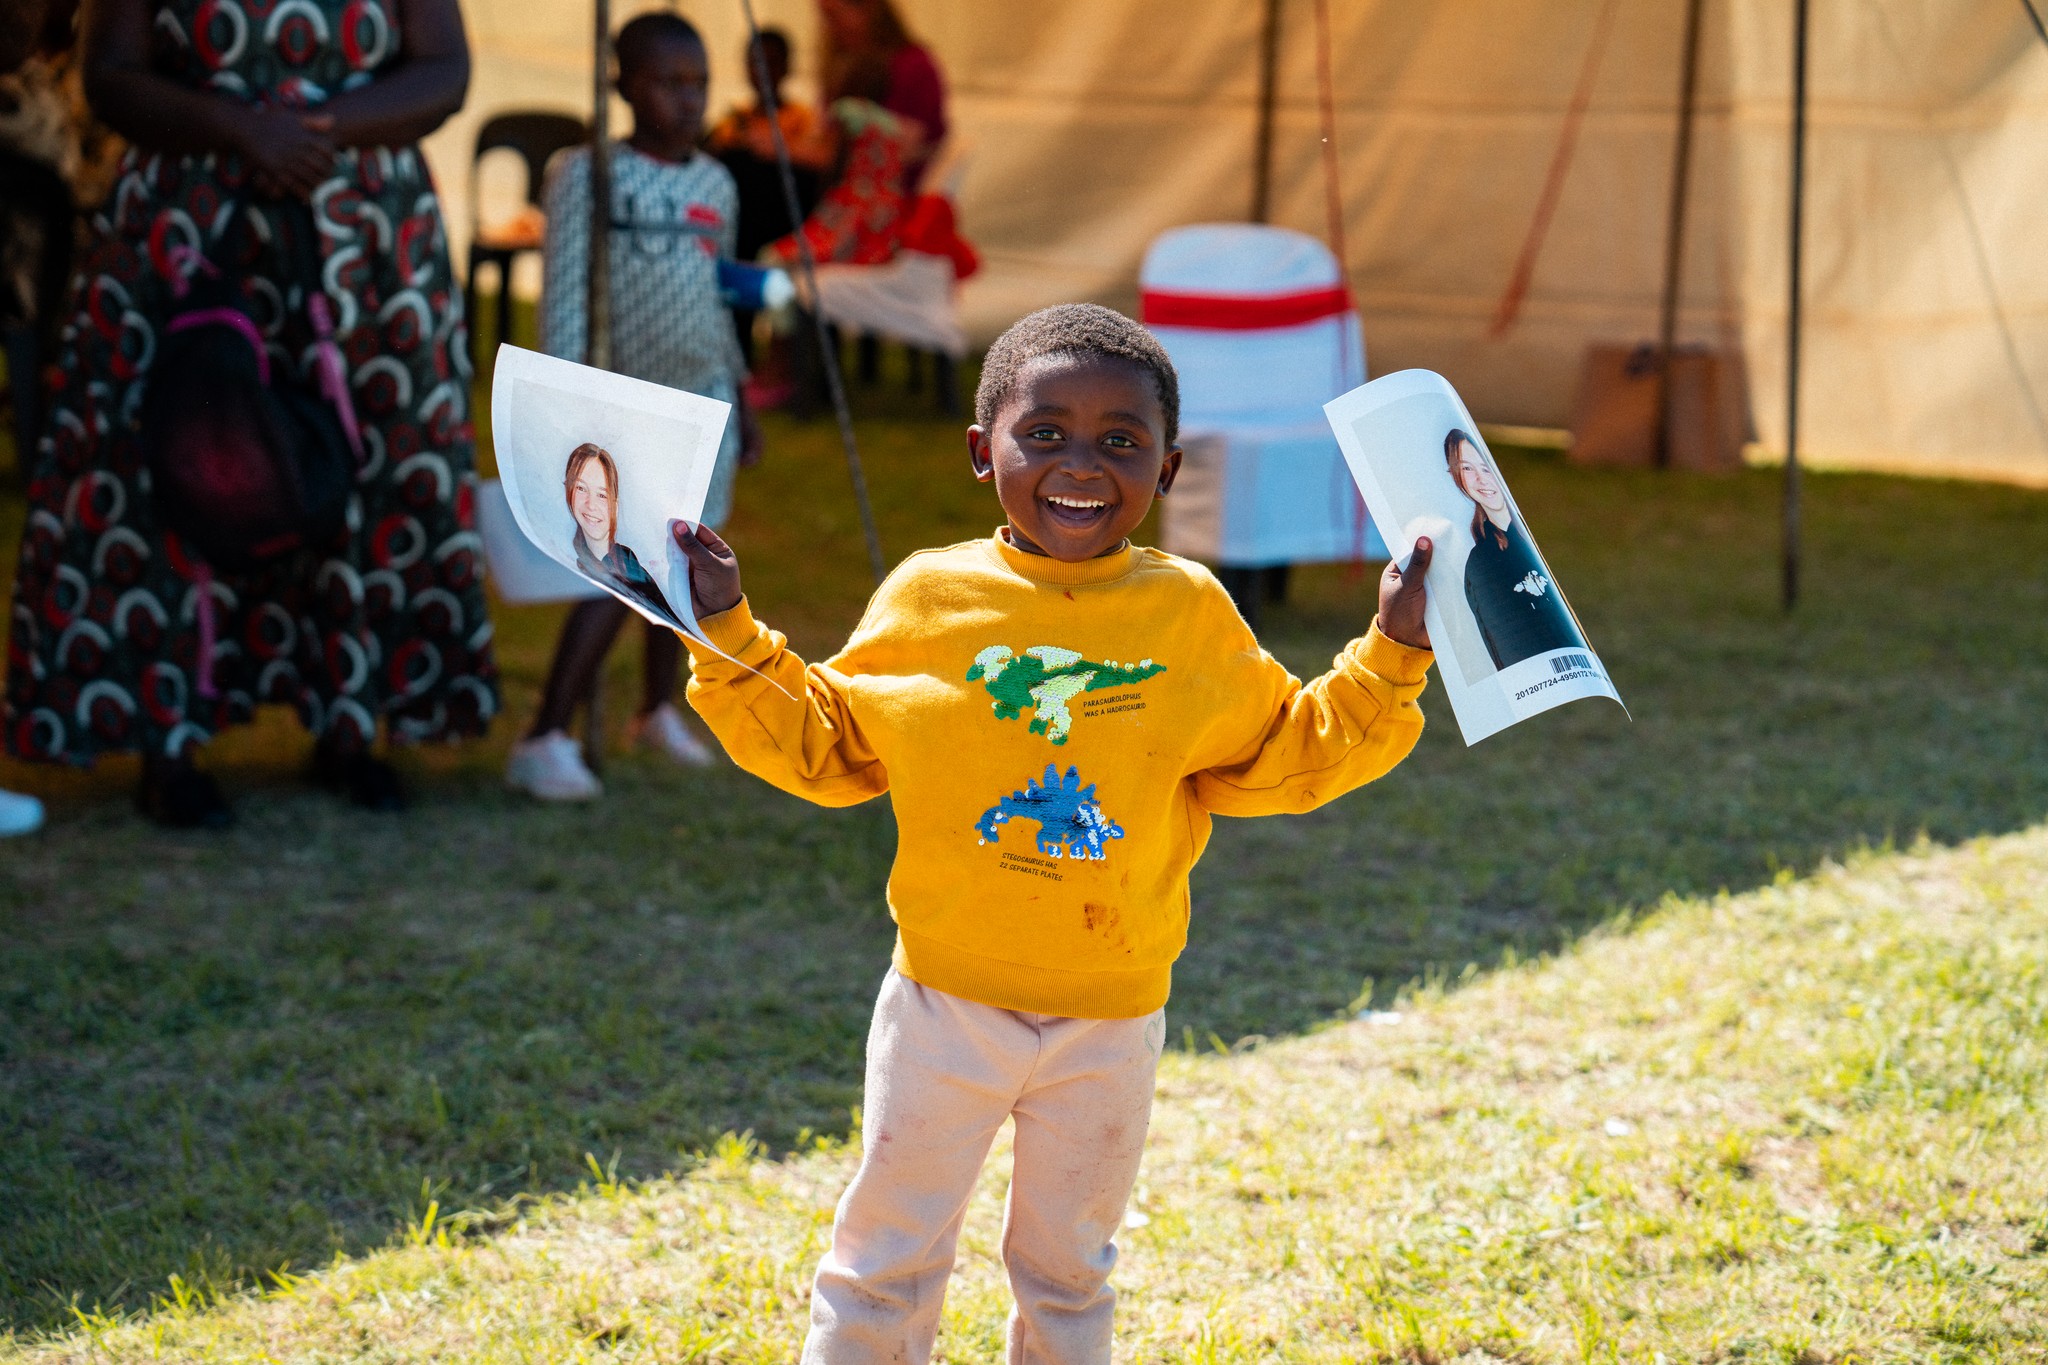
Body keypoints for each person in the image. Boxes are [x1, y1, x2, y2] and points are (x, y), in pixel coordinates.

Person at [673, 304, 1436, 1362]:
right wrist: (725, 630)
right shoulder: (927, 598)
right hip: (941, 1007)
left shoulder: (1189, 617)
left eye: (1120, 441)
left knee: (1068, 1272)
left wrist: (1392, 651)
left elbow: (1288, 751)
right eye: (1045, 434)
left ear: (1166, 470)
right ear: (984, 452)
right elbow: (825, 746)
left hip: (1109, 1022)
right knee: (883, 1259)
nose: (1081, 463)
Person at [3, 0, 497, 827]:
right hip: (184, 222)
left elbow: (445, 72)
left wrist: (308, 131)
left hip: (361, 234)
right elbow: (110, 78)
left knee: (364, 460)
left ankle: (351, 723)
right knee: (171, 461)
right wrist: (240, 131)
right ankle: (169, 740)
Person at [504, 12, 759, 802]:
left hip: (703, 396)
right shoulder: (589, 176)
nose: (687, 100)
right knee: (622, 567)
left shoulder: (716, 184)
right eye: (666, 83)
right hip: (622, 404)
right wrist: (570, 401)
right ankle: (543, 733)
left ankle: (655, 709)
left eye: (699, 84)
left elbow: (721, 301)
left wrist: (742, 395)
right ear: (622, 84)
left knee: (683, 557)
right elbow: (566, 298)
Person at [1445, 428, 1586, 671]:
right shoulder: (1482, 560)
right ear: (1458, 478)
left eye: (1485, 466)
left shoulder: (1526, 541)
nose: (1481, 478)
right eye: (1467, 468)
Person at [817, 0, 945, 192]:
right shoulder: (846, 62)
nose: (829, 27)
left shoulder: (913, 65)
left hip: (891, 191)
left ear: (868, 9)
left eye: (834, 15)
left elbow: (911, 146)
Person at [563, 443, 679, 627]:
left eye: (602, 495)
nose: (590, 504)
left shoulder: (631, 562)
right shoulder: (564, 555)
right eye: (581, 489)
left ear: (616, 503)